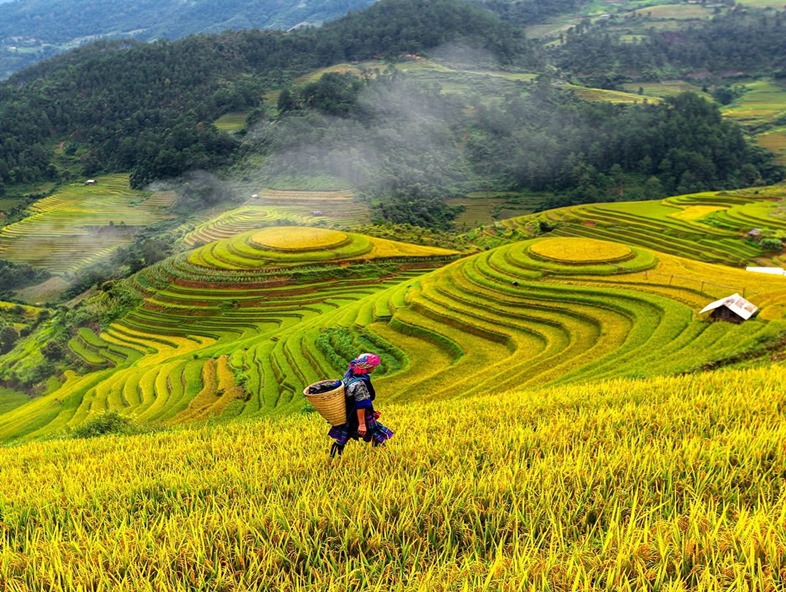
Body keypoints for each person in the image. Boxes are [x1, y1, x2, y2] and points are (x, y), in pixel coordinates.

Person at [328, 352, 394, 458]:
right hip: (358, 415)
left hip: (348, 414)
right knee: (375, 433)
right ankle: (385, 456)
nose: (375, 367)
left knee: (343, 437)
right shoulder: (360, 384)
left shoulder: (349, 378)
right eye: (374, 365)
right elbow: (361, 403)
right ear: (367, 366)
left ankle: (333, 457)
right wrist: (362, 424)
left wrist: (371, 411)